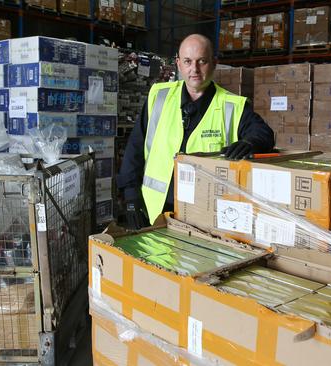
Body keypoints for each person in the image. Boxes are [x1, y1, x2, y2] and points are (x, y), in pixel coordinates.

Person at [117, 33, 275, 229]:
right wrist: (131, 198)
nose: (194, 69)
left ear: (214, 63)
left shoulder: (231, 106)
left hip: (204, 218)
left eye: (202, 61)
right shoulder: (159, 97)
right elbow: (135, 147)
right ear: (178, 64)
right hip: (155, 211)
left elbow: (264, 133)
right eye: (188, 61)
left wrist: (250, 142)